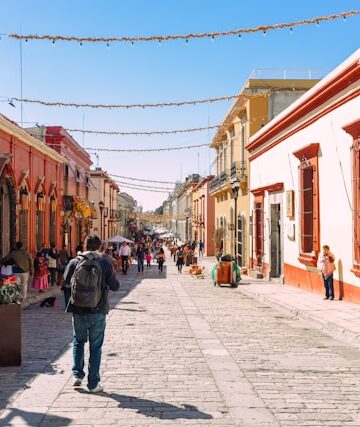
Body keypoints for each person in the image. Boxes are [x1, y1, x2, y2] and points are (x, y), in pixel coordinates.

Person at [64, 234, 120, 393]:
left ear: (84, 245)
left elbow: (66, 281)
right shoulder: (105, 263)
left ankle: (77, 375)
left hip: (78, 309)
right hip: (98, 309)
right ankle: (93, 384)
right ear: (100, 247)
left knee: (78, 341)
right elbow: (115, 286)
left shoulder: (75, 261)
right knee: (95, 347)